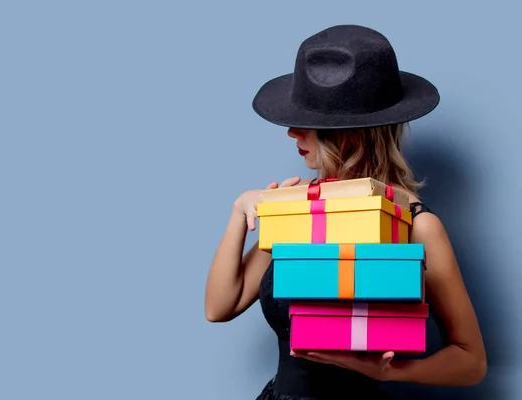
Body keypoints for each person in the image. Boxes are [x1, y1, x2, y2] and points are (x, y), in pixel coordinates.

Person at [204, 24, 487, 399]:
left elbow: (471, 362)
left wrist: (390, 372)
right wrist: (240, 214)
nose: (291, 133)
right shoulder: (298, 208)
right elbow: (220, 306)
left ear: (348, 133)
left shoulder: (416, 225)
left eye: (307, 124)